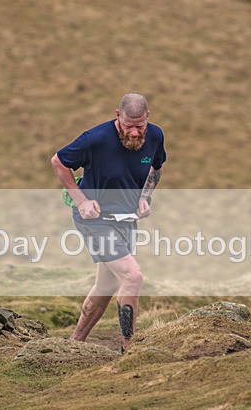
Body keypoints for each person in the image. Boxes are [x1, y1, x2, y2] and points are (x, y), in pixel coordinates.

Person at [51, 93, 166, 352]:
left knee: (107, 285)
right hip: (94, 220)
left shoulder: (156, 136)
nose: (135, 133)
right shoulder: (95, 139)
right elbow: (58, 162)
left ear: (148, 118)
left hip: (125, 220)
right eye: (128, 126)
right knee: (132, 277)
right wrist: (81, 201)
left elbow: (156, 168)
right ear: (118, 116)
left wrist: (145, 196)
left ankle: (75, 343)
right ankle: (130, 348)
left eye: (140, 126)